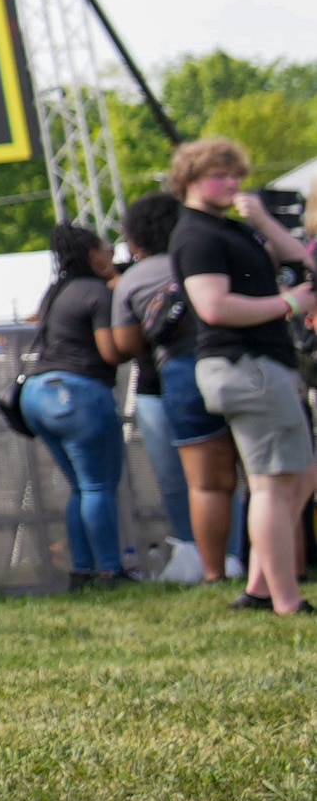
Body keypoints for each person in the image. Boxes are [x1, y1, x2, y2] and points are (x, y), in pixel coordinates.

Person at [166, 139, 317, 616]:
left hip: (262, 364)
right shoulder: (197, 236)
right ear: (189, 179)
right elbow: (214, 306)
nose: (231, 184)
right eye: (219, 175)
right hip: (243, 364)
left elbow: (302, 261)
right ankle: (284, 599)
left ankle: (260, 586)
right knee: (274, 482)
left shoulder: (228, 229)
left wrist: (262, 219)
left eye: (236, 175)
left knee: (300, 475)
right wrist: (287, 305)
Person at [119, 191, 234, 583]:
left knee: (182, 481)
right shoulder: (203, 257)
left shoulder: (132, 279)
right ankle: (238, 554)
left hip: (162, 385)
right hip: (226, 367)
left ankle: (195, 557)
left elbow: (124, 345)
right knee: (233, 476)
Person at [24, 223, 132, 584]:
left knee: (81, 487)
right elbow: (110, 352)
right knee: (99, 486)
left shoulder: (55, 292)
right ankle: (110, 570)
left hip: (37, 394)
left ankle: (82, 570)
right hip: (78, 393)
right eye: (106, 248)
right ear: (93, 255)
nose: (112, 253)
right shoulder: (96, 293)